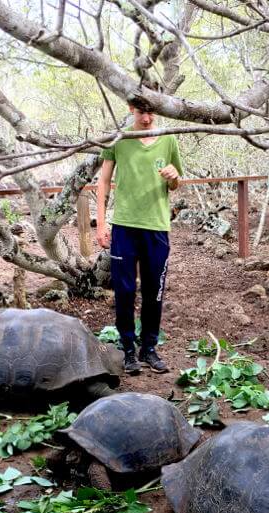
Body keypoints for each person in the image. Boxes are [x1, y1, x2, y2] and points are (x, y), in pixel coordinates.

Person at [96, 95, 183, 374]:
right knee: (124, 291)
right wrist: (100, 223)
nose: (146, 119)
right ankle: (128, 349)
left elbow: (176, 183)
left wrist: (173, 177)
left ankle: (149, 348)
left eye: (152, 113)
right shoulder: (119, 140)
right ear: (131, 109)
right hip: (124, 226)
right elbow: (104, 181)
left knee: (153, 291)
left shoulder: (169, 139)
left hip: (156, 227)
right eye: (141, 112)